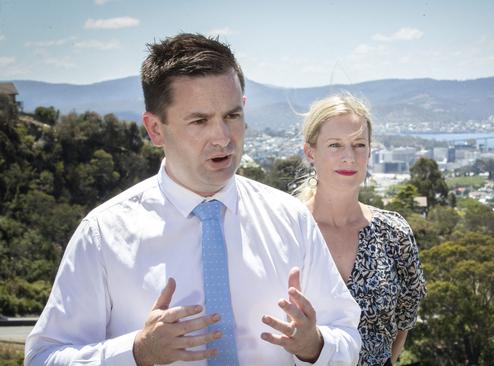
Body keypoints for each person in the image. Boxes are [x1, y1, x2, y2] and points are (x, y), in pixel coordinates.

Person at [25, 33, 361, 366]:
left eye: (232, 116)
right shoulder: (102, 235)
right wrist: (136, 352)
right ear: (155, 129)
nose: (223, 137)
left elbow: (347, 336)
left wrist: (314, 345)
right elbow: (42, 358)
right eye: (200, 120)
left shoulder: (291, 219)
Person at [296, 94, 426, 366]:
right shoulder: (287, 230)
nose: (349, 157)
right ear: (311, 153)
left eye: (358, 145)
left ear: (369, 152)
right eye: (335, 145)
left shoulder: (394, 233)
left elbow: (402, 324)